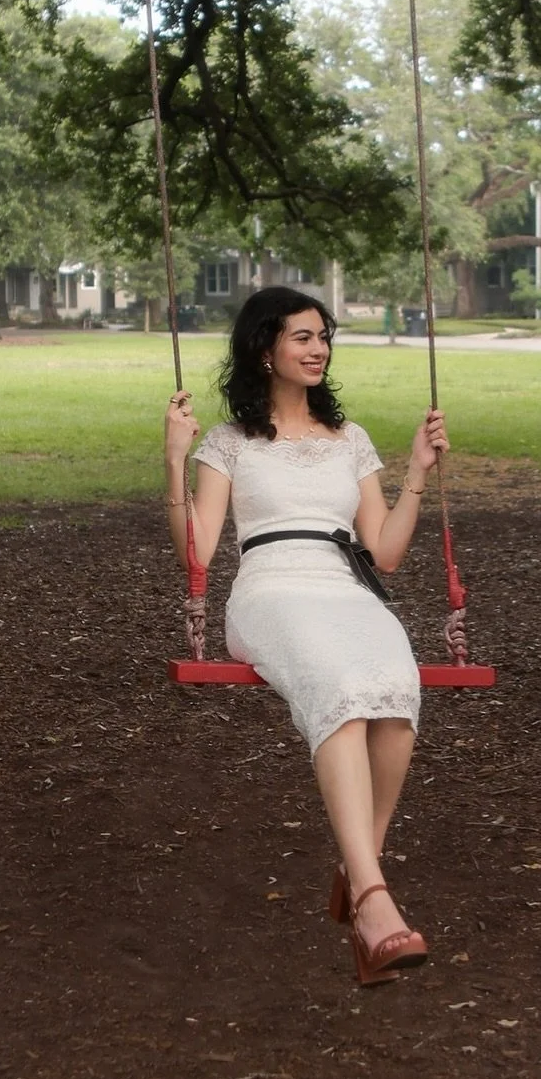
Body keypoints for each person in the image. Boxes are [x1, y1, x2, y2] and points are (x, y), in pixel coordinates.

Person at [163, 285, 448, 986]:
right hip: (270, 592)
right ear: (266, 349)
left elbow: (381, 553)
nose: (319, 348)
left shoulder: (349, 441)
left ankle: (357, 871)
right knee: (342, 694)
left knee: (397, 690)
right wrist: (173, 458)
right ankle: (375, 903)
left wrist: (415, 475)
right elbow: (198, 552)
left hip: (343, 587)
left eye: (324, 336)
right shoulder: (228, 444)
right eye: (302, 336)